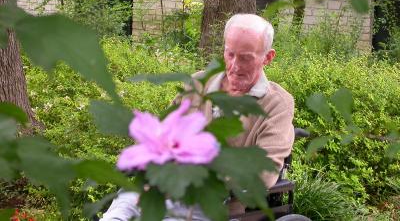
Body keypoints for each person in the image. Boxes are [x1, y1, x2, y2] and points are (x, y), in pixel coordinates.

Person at [100, 14, 295, 221]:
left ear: (268, 57)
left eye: (245, 58)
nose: (234, 66)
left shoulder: (277, 104)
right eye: (230, 54)